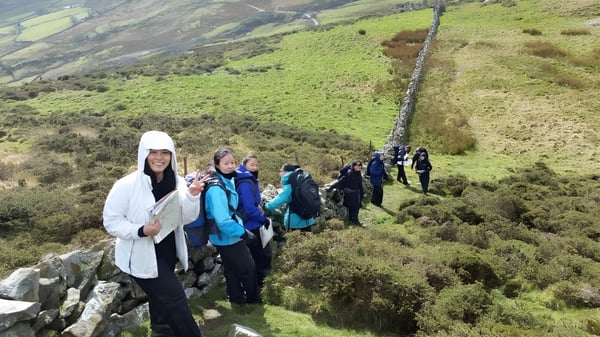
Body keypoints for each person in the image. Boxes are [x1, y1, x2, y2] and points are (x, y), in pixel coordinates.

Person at [103, 130, 206, 337]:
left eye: (165, 153)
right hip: (140, 254)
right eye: (154, 152)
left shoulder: (176, 181)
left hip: (167, 250)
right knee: (175, 298)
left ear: (172, 155)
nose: (159, 158)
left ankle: (161, 331)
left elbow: (185, 218)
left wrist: (193, 196)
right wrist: (141, 230)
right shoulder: (127, 185)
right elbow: (111, 222)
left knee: (161, 299)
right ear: (144, 154)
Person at [205, 147, 261, 305]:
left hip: (223, 235)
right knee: (248, 268)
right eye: (226, 163)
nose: (230, 166)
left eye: (233, 163)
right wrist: (243, 233)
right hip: (227, 235)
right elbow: (223, 220)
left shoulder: (225, 180)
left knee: (231, 268)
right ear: (217, 165)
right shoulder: (216, 188)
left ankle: (236, 298)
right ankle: (252, 300)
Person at [236, 154, 272, 288]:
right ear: (244, 165)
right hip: (251, 225)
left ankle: (258, 284)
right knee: (260, 256)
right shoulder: (246, 182)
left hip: (250, 223)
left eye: (257, 165)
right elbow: (249, 208)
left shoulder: (249, 179)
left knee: (257, 256)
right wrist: (263, 219)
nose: (255, 167)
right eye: (252, 165)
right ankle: (259, 286)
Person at [263, 164, 316, 232]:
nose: (279, 174)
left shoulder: (290, 185)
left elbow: (280, 199)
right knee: (307, 240)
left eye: (280, 171)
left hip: (295, 222)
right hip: (308, 218)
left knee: (296, 241)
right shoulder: (302, 182)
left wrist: (266, 206)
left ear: (286, 172)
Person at [328, 160, 365, 225]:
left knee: (355, 207)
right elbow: (341, 181)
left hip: (356, 193)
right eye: (357, 165)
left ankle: (352, 219)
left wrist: (362, 193)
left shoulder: (358, 173)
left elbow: (360, 185)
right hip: (350, 193)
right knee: (355, 207)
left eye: (360, 165)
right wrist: (331, 187)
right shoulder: (350, 173)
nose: (358, 167)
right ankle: (355, 220)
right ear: (353, 166)